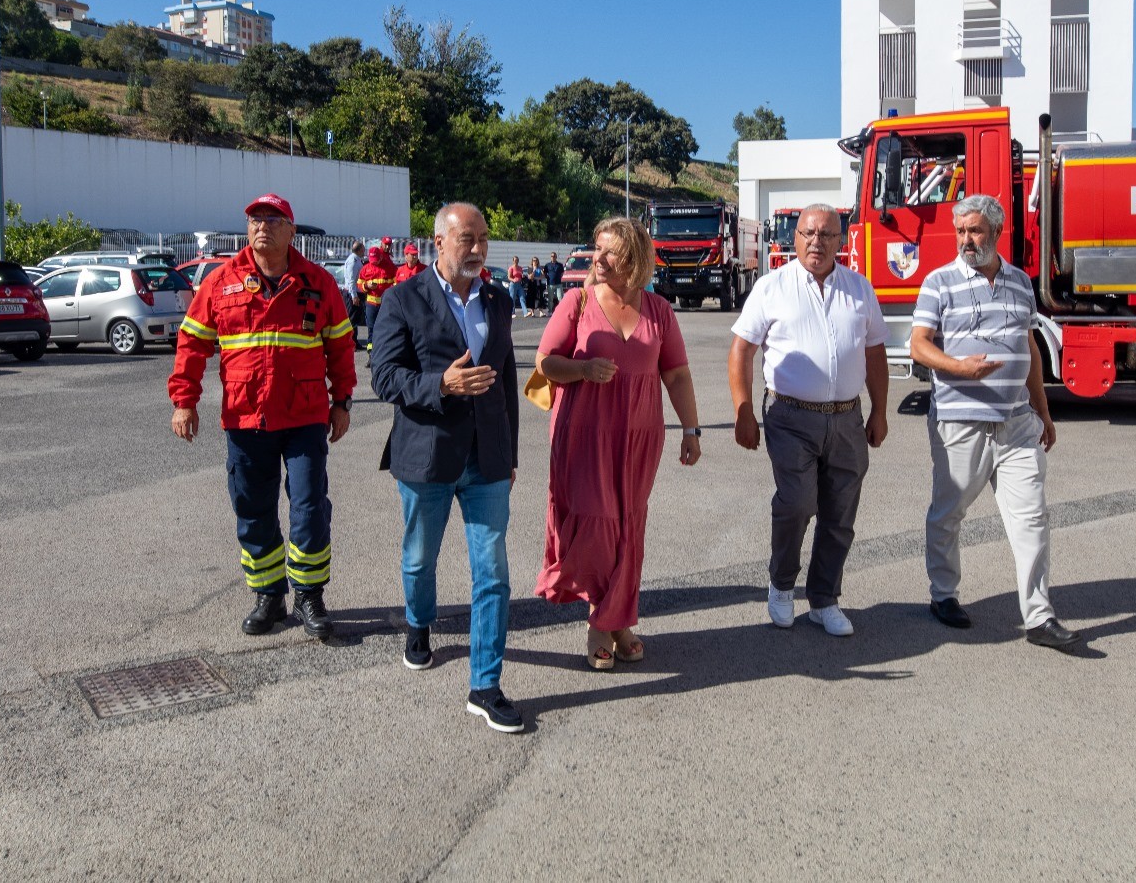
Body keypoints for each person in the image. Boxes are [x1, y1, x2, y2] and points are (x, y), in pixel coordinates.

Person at [168, 193, 356, 640]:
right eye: (254, 219)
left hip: (305, 416)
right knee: (252, 508)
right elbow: (192, 344)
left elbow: (341, 347)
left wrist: (343, 401)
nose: (261, 227)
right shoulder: (221, 282)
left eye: (273, 219)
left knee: (309, 507)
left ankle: (309, 594)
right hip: (245, 415)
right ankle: (268, 594)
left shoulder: (318, 283)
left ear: (292, 231)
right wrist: (184, 400)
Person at [370, 202, 524, 734]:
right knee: (419, 559)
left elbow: (505, 385)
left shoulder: (498, 301)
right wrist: (441, 384)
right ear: (439, 242)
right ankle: (418, 622)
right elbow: (385, 378)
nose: (478, 249)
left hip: (487, 459)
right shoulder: (402, 299)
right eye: (467, 239)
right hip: (427, 456)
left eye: (483, 238)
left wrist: (510, 456)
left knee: (493, 573)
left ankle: (485, 686)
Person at [910, 194, 1080, 653]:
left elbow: (1028, 348)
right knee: (948, 514)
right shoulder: (938, 282)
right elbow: (918, 345)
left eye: (975, 231)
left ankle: (1040, 617)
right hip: (961, 421)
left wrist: (1043, 409)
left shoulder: (1021, 282)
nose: (967, 240)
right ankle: (943, 595)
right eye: (961, 231)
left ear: (996, 232)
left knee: (1032, 518)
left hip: (1017, 422)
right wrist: (958, 368)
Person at [534, 217, 701, 669]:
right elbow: (546, 363)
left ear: (635, 258)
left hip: (640, 437)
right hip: (584, 435)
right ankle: (599, 621)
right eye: (597, 249)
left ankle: (620, 619)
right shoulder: (578, 300)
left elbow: (677, 374)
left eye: (610, 251)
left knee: (630, 526)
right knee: (599, 525)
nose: (599, 258)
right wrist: (583, 370)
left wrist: (691, 429)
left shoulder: (660, 310)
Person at [728, 203, 888, 637]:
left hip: (847, 418)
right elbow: (742, 350)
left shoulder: (859, 288)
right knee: (797, 503)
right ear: (794, 237)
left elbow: (875, 352)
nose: (817, 242)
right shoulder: (771, 287)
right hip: (790, 416)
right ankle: (782, 586)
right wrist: (743, 411)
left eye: (827, 235)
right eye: (808, 233)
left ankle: (823, 599)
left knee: (840, 512)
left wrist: (880, 410)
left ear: (841, 240)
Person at [356, 244, 395, 352]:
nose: (375, 262)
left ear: (381, 257)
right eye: (372, 260)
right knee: (371, 329)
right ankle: (371, 353)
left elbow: (396, 282)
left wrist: (389, 292)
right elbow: (359, 284)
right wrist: (366, 286)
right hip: (371, 304)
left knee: (386, 328)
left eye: (376, 260)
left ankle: (385, 352)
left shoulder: (389, 267)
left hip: (385, 304)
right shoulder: (365, 269)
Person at [342, 240, 367, 350]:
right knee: (352, 319)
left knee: (356, 319)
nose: (364, 251)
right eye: (363, 249)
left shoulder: (357, 260)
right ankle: (350, 343)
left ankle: (354, 342)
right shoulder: (353, 261)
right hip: (353, 293)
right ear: (359, 249)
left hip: (356, 293)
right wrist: (354, 296)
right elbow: (351, 280)